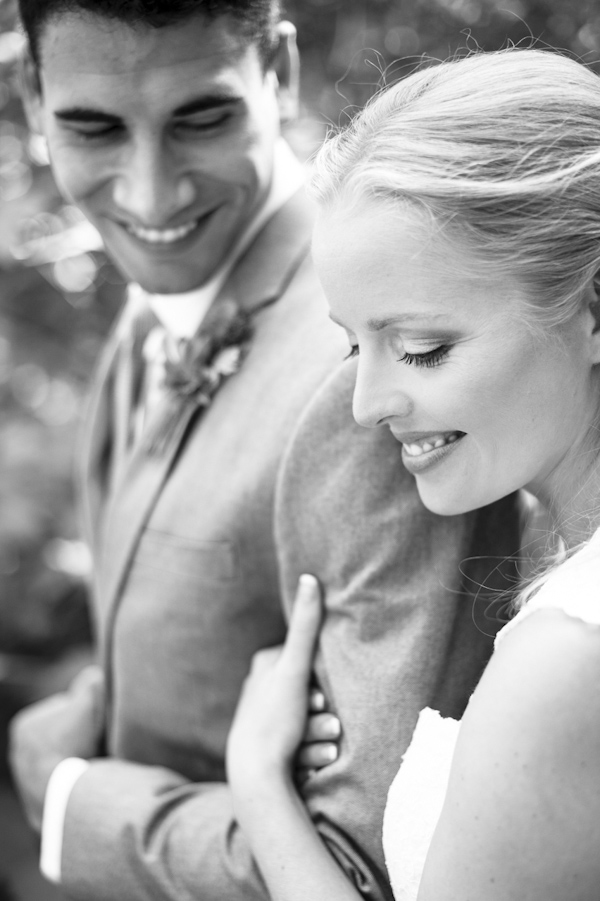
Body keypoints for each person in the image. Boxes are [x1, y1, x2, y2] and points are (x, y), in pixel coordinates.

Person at [7, 3, 521, 899]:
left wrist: (69, 794)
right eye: (92, 129)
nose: (149, 195)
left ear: (277, 72)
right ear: (29, 94)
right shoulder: (156, 302)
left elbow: (366, 859)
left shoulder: (367, 373)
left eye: (200, 119)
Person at [225, 46, 600, 901]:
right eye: (356, 345)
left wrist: (258, 782)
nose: (364, 406)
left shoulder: (567, 657)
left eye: (423, 350)